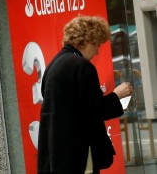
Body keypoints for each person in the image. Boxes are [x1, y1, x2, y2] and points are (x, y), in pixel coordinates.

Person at [38, 16, 133, 174]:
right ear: (88, 40)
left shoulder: (55, 64)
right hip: (78, 152)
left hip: (56, 153)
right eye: (97, 45)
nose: (97, 52)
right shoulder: (81, 66)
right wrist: (117, 95)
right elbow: (94, 111)